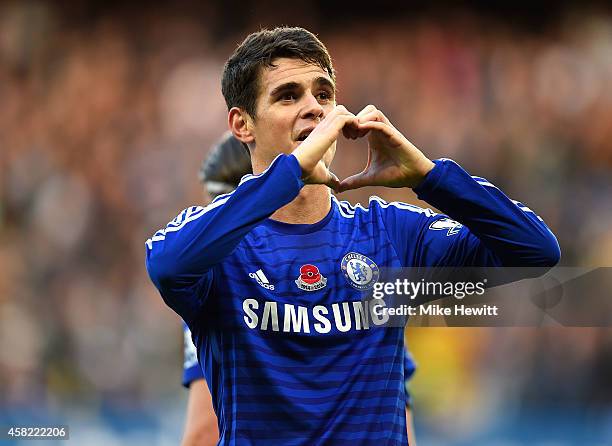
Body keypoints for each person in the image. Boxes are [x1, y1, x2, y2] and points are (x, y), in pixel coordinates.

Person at [146, 27, 560, 445]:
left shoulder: (390, 233)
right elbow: (166, 265)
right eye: (288, 96)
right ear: (242, 124)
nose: (314, 108)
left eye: (323, 95)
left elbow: (535, 250)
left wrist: (430, 177)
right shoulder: (221, 249)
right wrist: (289, 175)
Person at [181, 132, 420, 445]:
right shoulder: (364, 288)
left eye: (226, 203)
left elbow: (204, 433)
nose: (218, 220)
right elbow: (400, 426)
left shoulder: (222, 287)